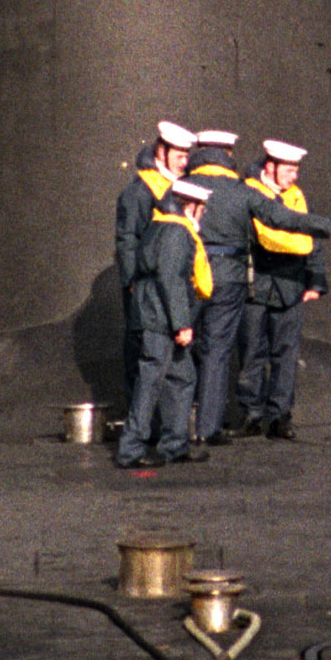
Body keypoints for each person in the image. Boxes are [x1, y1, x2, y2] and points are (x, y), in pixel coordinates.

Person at [238, 137, 331, 439]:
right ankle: (251, 414)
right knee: (252, 352)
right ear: (271, 167)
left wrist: (316, 280)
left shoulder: (295, 196)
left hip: (290, 285)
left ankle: (280, 416)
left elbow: (309, 240)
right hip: (255, 285)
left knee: (285, 354)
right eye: (289, 170)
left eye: (296, 170)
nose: (295, 176)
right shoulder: (248, 194)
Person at [112, 119, 194, 468]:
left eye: (186, 155)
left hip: (171, 292)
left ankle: (173, 443)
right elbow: (127, 240)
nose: (183, 161)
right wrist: (131, 285)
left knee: (179, 372)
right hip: (149, 294)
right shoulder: (139, 192)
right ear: (161, 151)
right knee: (150, 372)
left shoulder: (180, 189)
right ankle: (135, 446)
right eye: (177, 154)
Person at [139, 174, 218, 464]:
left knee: (182, 377)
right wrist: (181, 324)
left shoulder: (171, 228)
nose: (204, 213)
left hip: (165, 314)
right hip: (166, 318)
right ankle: (146, 446)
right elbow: (172, 281)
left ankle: (174, 444)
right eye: (201, 207)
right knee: (156, 378)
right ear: (190, 206)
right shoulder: (176, 233)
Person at [185, 129, 257, 442]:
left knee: (176, 346)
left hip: (185, 276)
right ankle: (208, 428)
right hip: (228, 276)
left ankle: (170, 423)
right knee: (217, 352)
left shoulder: (180, 187)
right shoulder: (240, 191)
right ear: (228, 153)